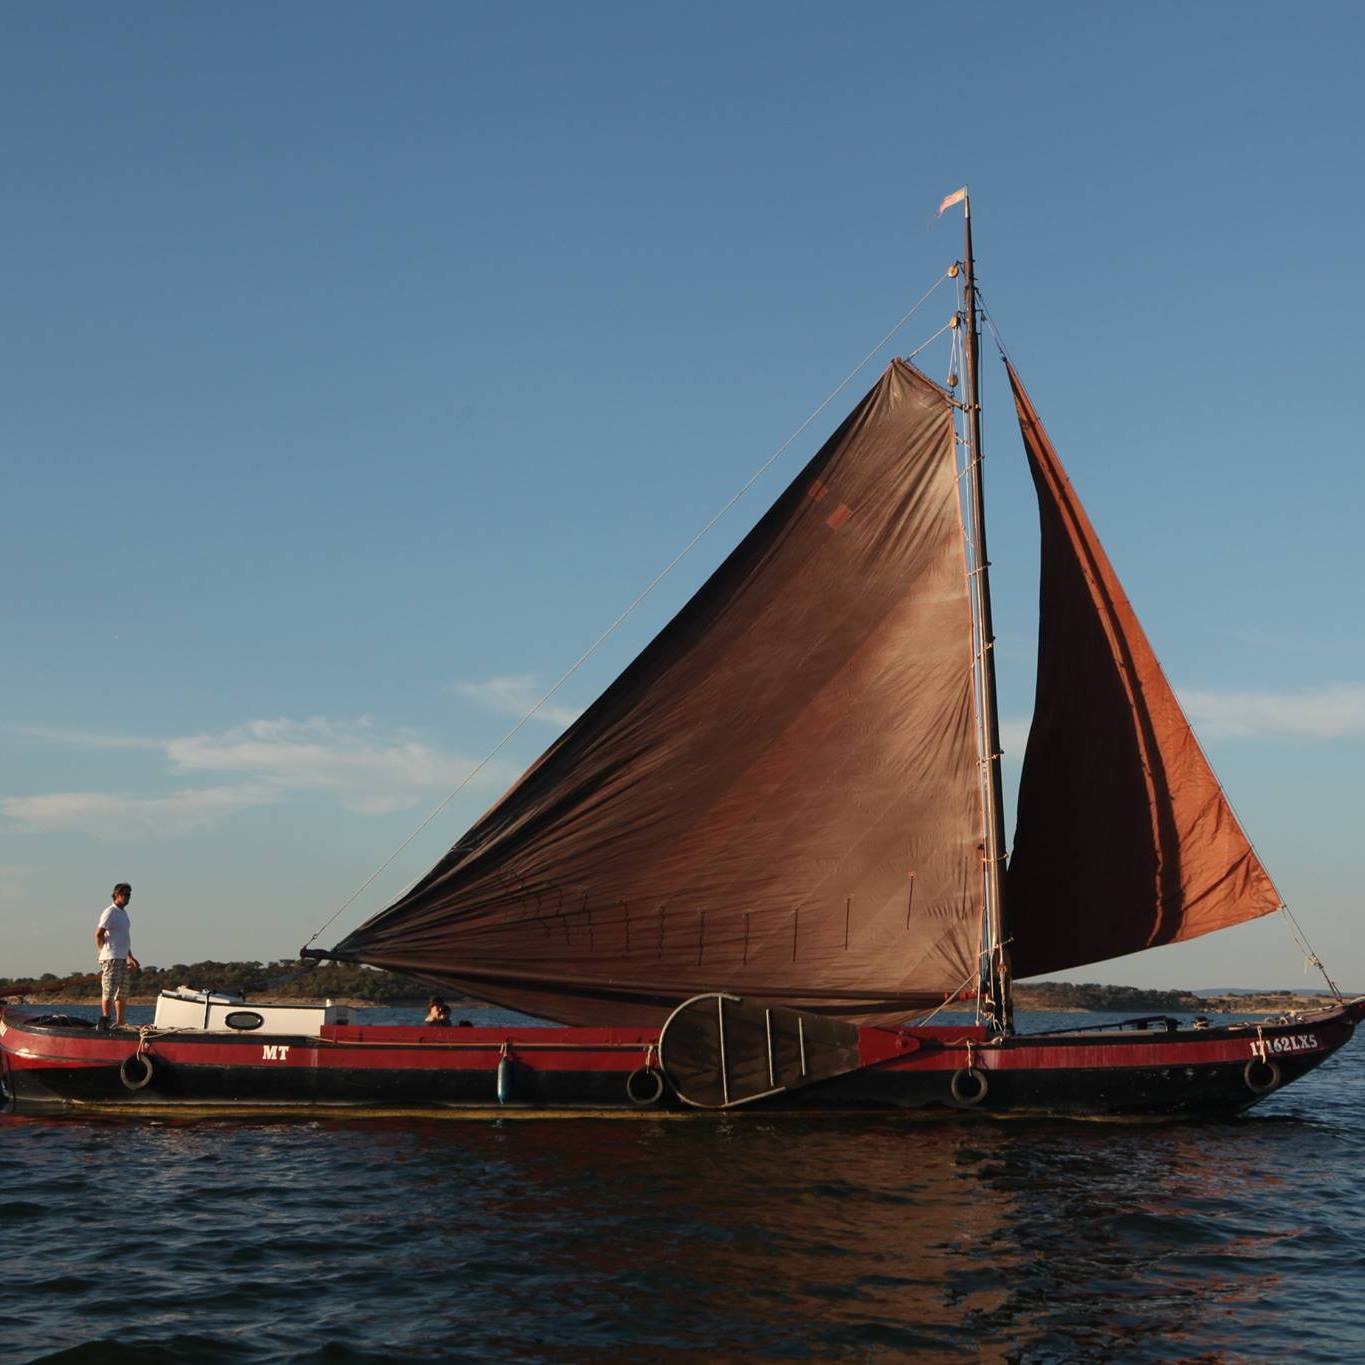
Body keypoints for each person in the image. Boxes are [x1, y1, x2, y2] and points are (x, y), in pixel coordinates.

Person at [95, 882, 140, 1029]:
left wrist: (130, 957)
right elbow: (99, 934)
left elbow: (123, 938)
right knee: (109, 990)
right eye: (125, 894)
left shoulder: (123, 914)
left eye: (129, 895)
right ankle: (105, 1020)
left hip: (122, 958)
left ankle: (120, 1022)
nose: (128, 897)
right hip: (111, 958)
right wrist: (102, 951)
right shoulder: (110, 912)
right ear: (117, 895)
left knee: (122, 992)